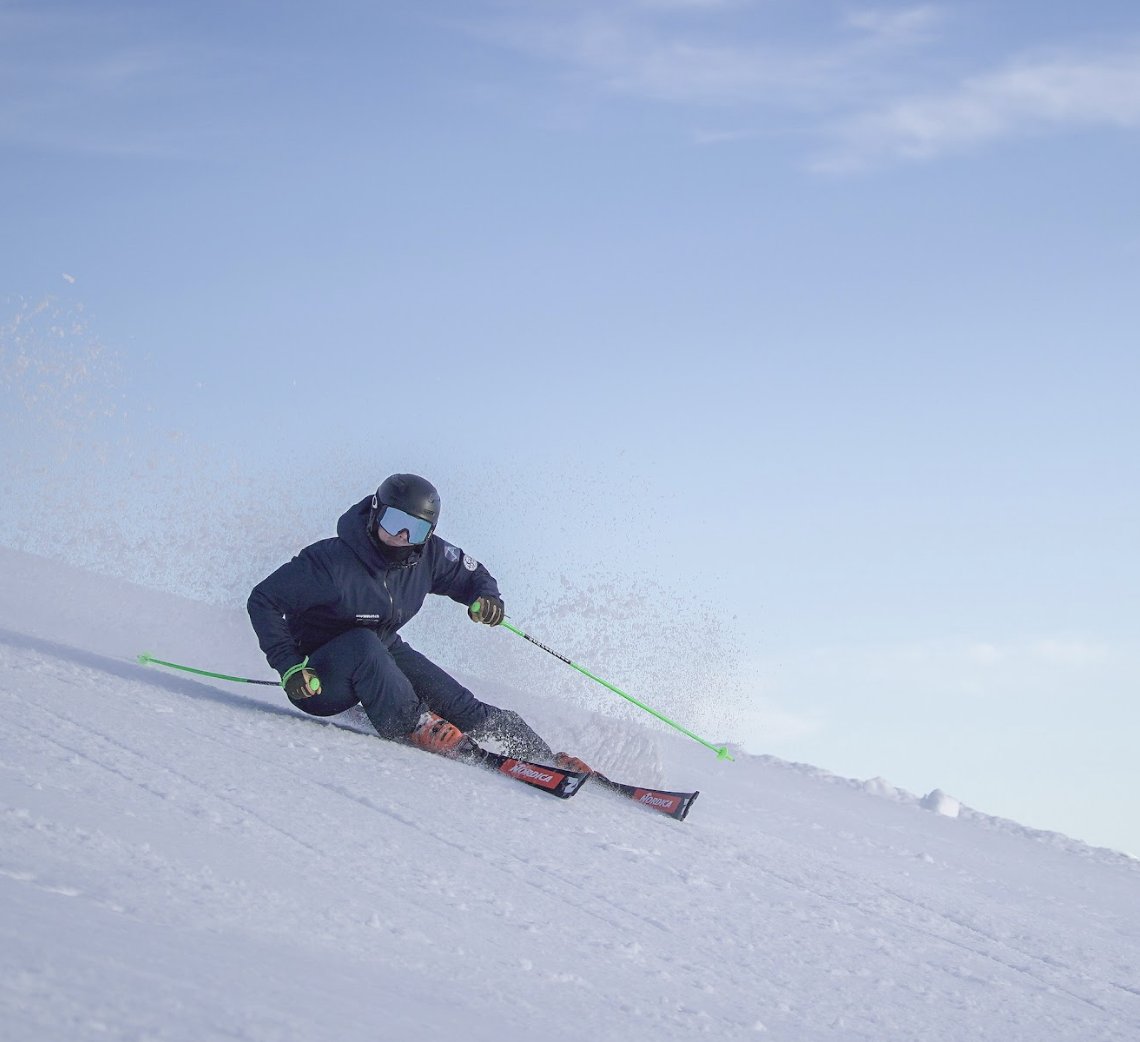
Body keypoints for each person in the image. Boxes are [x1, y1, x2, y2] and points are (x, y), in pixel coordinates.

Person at [247, 473, 588, 771]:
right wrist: (289, 666)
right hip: (320, 676)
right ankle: (416, 723)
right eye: (395, 522)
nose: (403, 535)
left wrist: (487, 599)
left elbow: (472, 575)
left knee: (461, 706)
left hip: (381, 650)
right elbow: (263, 600)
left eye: (417, 528)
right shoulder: (329, 563)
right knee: (363, 644)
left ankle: (541, 757)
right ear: (376, 513)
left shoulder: (427, 556)